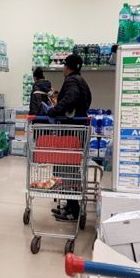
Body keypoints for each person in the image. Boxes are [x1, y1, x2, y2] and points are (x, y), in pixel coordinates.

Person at [47, 54, 92, 222]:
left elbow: (71, 98)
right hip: (77, 130)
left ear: (67, 67)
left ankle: (73, 211)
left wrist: (55, 110)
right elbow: (85, 100)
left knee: (68, 169)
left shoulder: (72, 80)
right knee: (69, 169)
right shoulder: (80, 80)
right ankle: (71, 206)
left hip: (72, 132)